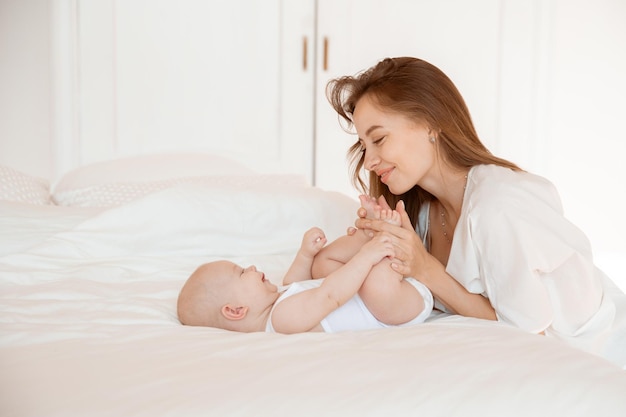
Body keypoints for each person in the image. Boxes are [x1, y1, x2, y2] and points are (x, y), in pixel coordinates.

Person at [326, 56, 626, 366]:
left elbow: (530, 338)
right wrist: (377, 245)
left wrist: (425, 268)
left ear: (430, 123)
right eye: (364, 146)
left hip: (604, 357)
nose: (370, 160)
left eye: (378, 139)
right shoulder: (423, 211)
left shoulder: (498, 207)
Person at [177, 202, 433, 334]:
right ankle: (385, 242)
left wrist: (305, 254)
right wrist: (366, 257)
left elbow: (293, 282)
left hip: (382, 299)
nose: (252, 267)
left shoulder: (277, 305)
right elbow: (329, 295)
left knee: (322, 262)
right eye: (242, 272)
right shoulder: (281, 319)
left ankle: (369, 234)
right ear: (236, 310)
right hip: (394, 310)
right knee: (373, 283)